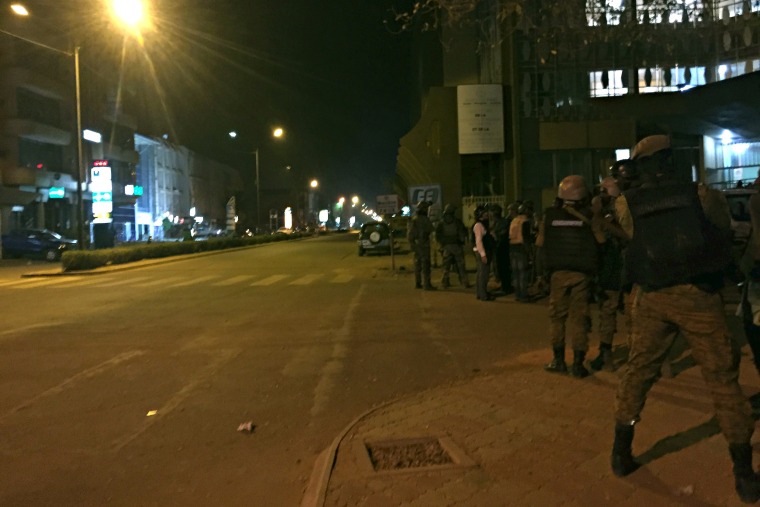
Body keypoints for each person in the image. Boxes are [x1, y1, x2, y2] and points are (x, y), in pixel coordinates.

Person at [610, 135, 760, 504]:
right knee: (723, 378)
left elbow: (630, 239)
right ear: (671, 160)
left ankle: (621, 451)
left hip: (651, 297)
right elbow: (721, 232)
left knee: (639, 371)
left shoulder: (626, 203)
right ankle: (742, 472)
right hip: (698, 296)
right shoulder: (703, 194)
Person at [537, 175, 604, 378]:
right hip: (581, 275)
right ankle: (577, 364)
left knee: (557, 318)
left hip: (557, 274)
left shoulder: (549, 216)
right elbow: (601, 243)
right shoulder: (590, 216)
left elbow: (540, 246)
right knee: (579, 320)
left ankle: (558, 361)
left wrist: (541, 274)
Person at [588, 177, 627, 371]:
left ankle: (607, 355)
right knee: (610, 315)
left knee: (612, 314)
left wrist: (603, 222)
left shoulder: (622, 209)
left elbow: (627, 236)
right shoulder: (623, 207)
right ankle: (606, 354)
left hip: (619, 270)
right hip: (618, 270)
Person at [435, 203, 470, 289]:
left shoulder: (441, 223)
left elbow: (438, 236)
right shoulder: (457, 222)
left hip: (446, 247)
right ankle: (464, 282)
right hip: (456, 246)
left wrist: (442, 245)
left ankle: (445, 282)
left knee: (446, 266)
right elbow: (463, 233)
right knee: (461, 266)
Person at [407, 200, 436, 290]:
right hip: (423, 244)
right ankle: (427, 284)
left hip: (415, 244)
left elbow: (409, 234)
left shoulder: (413, 219)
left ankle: (418, 283)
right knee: (426, 265)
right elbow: (431, 229)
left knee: (417, 264)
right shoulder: (424, 219)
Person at [509, 203, 535, 302]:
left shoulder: (514, 220)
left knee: (516, 273)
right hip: (521, 249)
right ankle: (523, 295)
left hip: (512, 248)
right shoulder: (525, 222)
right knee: (523, 273)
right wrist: (530, 254)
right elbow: (526, 239)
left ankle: (518, 294)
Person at [473, 204, 496, 301]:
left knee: (481, 273)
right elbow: (479, 241)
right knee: (484, 274)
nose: (487, 214)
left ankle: (480, 293)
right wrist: (483, 254)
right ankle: (483, 295)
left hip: (483, 251)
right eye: (484, 213)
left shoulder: (483, 224)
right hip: (482, 252)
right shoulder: (478, 225)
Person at [489, 203, 512, 294]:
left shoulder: (503, 222)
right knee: (499, 268)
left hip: (502, 248)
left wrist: (494, 235)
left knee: (503, 268)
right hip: (498, 248)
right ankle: (504, 285)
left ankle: (506, 287)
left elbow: (502, 235)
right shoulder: (497, 222)